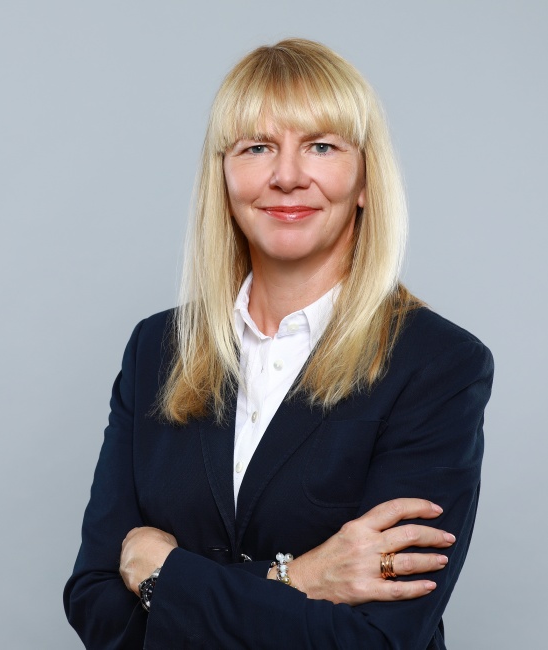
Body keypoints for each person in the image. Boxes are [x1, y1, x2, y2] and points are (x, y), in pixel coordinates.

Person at [64, 38, 493, 649]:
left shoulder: (438, 365)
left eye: (321, 146)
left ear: (366, 179)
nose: (287, 176)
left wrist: (163, 575)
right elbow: (95, 603)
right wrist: (304, 578)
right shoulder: (156, 349)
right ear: (225, 178)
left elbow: (376, 640)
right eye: (258, 148)